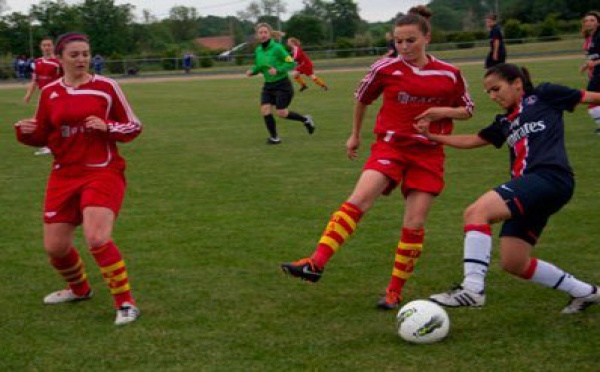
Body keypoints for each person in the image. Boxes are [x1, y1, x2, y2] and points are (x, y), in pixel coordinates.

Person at [281, 8, 474, 310]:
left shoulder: (449, 73)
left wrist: (441, 112)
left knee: (414, 222)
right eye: (398, 41)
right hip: (390, 147)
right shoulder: (385, 68)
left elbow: (467, 109)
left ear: (427, 38)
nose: (404, 47)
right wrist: (355, 135)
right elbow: (362, 99)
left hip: (428, 153)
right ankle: (315, 263)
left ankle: (394, 292)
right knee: (359, 199)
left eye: (410, 40)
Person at [420, 63, 600, 314]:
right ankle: (587, 293)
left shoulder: (545, 94)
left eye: (496, 89)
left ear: (517, 83)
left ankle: (472, 290)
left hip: (550, 177)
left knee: (476, 212)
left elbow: (592, 97)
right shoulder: (504, 120)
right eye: (489, 93)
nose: (493, 96)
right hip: (534, 188)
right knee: (514, 262)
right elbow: (473, 139)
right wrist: (434, 137)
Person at [13, 32, 142, 325]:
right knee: (55, 248)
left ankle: (126, 304)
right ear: (60, 59)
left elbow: (134, 126)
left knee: (97, 237)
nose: (82, 59)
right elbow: (46, 134)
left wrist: (107, 126)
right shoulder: (50, 93)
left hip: (102, 170)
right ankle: (79, 289)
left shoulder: (107, 87)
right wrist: (26, 133)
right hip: (64, 173)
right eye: (75, 55)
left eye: (86, 53)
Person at [246, 23, 316, 145]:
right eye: (260, 32)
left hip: (282, 85)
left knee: (281, 113)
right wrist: (252, 71)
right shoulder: (258, 50)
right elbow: (259, 66)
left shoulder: (277, 48)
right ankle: (275, 138)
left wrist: (277, 69)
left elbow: (291, 63)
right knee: (265, 110)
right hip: (268, 85)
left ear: (269, 34)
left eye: (265, 32)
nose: (263, 34)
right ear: (257, 35)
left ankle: (306, 119)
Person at [24, 37, 63, 156]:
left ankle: (51, 145)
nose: (47, 47)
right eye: (44, 45)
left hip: (56, 96)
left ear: (53, 47)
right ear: (41, 47)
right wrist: (28, 94)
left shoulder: (58, 62)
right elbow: (34, 80)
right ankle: (49, 144)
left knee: (50, 120)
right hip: (44, 96)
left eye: (49, 45)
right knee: (42, 120)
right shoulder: (37, 62)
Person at [579, 11, 600, 134]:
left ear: (598, 23)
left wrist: (594, 63)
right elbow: (593, 57)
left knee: (590, 99)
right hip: (596, 73)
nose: (589, 22)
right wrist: (587, 65)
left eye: (592, 20)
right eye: (586, 20)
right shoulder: (591, 37)